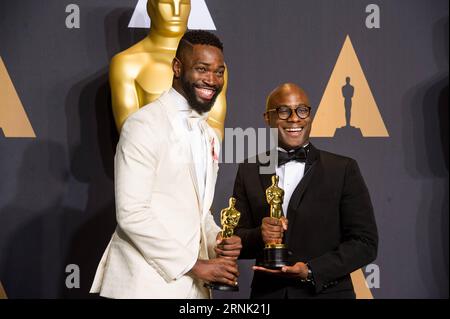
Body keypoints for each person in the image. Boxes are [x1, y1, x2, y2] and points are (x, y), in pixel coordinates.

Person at [90, 30, 241, 299]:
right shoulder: (143, 125)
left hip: (193, 290)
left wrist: (216, 239)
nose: (212, 79)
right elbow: (132, 213)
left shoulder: (207, 134)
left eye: (219, 72)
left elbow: (198, 212)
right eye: (202, 69)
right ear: (177, 67)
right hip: (144, 285)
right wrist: (194, 265)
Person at [233, 83, 378, 299]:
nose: (294, 118)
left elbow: (365, 243)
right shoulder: (249, 169)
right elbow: (234, 239)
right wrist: (259, 235)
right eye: (283, 111)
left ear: (310, 115)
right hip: (267, 296)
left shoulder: (343, 169)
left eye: (302, 110)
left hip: (325, 295)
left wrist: (312, 270)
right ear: (267, 117)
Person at [110, 0, 227, 140]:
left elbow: (215, 128)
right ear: (150, 7)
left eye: (183, 3)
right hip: (150, 159)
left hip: (201, 159)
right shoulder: (128, 64)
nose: (176, 12)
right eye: (166, 3)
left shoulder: (215, 68)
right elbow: (129, 134)